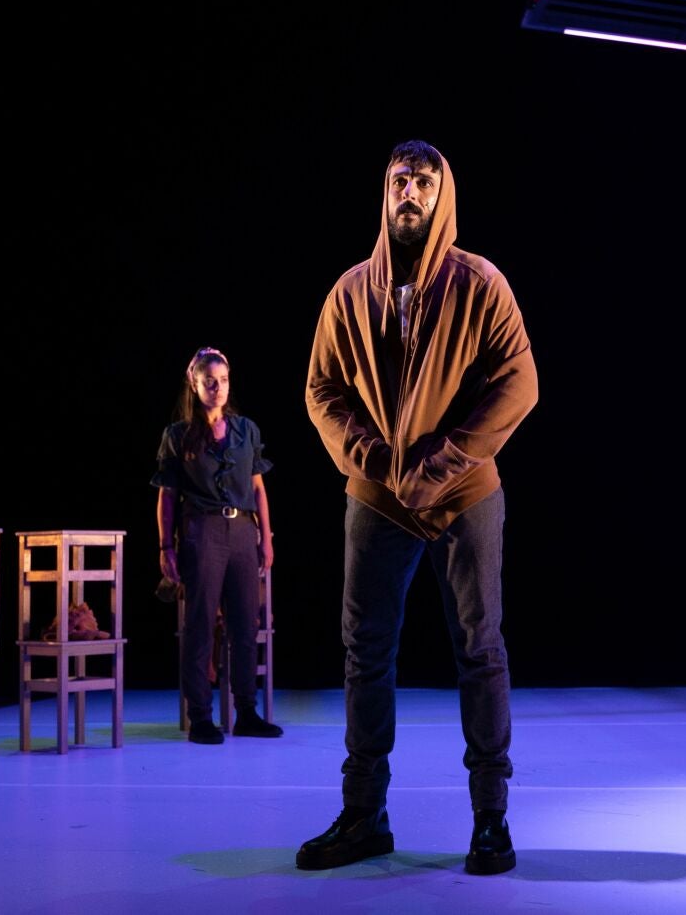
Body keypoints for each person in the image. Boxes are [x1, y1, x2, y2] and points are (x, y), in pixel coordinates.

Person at [297, 140, 538, 876]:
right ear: (385, 191)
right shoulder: (348, 292)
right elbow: (321, 390)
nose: (411, 191)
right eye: (400, 179)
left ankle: (491, 818)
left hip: (464, 492)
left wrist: (444, 463)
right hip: (378, 497)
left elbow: (520, 381)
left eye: (424, 181)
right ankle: (364, 816)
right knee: (365, 653)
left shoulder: (481, 282)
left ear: (443, 195)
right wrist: (374, 460)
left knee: (481, 650)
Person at [150, 346, 282, 744]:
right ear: (194, 384)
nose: (217, 387)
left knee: (245, 624)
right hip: (202, 531)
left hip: (242, 531)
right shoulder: (178, 435)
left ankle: (246, 713)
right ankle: (201, 717)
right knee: (201, 623)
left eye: (223, 380)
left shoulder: (245, 430)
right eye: (209, 381)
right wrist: (166, 547)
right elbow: (167, 496)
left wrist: (266, 537)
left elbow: (258, 488)